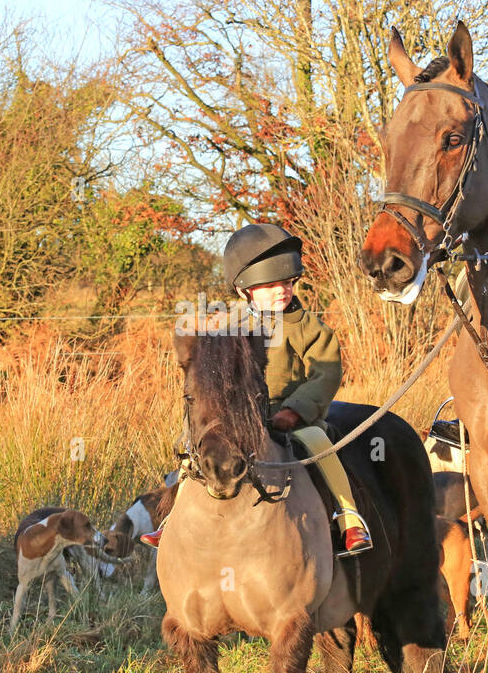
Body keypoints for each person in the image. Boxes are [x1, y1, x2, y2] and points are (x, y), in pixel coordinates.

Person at [142, 223, 373, 556]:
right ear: (244, 290)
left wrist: (295, 410)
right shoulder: (227, 325)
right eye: (270, 285)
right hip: (236, 417)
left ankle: (348, 517)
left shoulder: (310, 328)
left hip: (292, 417)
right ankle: (172, 520)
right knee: (193, 451)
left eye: (288, 283)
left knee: (321, 445)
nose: (282, 291)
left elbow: (326, 373)